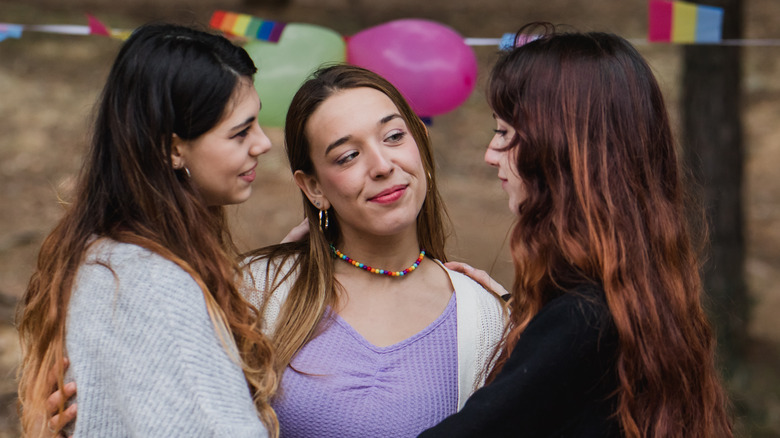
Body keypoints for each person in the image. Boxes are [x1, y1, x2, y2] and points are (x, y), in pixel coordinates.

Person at [418, 23, 733, 437]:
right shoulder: (628, 294)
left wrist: (547, 331)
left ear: (561, 149)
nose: (490, 154)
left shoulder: (582, 318)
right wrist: (523, 317)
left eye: (504, 132)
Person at [18, 23, 278, 437]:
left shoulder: (105, 253)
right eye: (241, 132)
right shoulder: (154, 286)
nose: (263, 143)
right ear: (173, 149)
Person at [241, 64, 507, 437]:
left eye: (394, 136)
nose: (382, 166)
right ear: (314, 187)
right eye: (348, 155)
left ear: (420, 144)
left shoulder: (487, 319)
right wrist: (274, 278)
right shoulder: (255, 291)